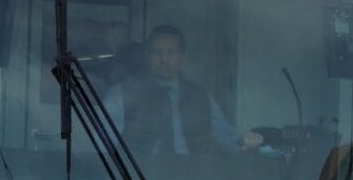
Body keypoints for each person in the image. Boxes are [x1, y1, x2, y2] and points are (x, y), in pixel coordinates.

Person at [104, 25, 263, 154]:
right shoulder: (121, 95)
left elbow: (226, 137)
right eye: (157, 52)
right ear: (147, 55)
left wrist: (245, 141)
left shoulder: (201, 97)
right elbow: (102, 145)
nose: (164, 59)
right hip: (137, 178)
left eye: (171, 52)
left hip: (192, 177)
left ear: (182, 56)